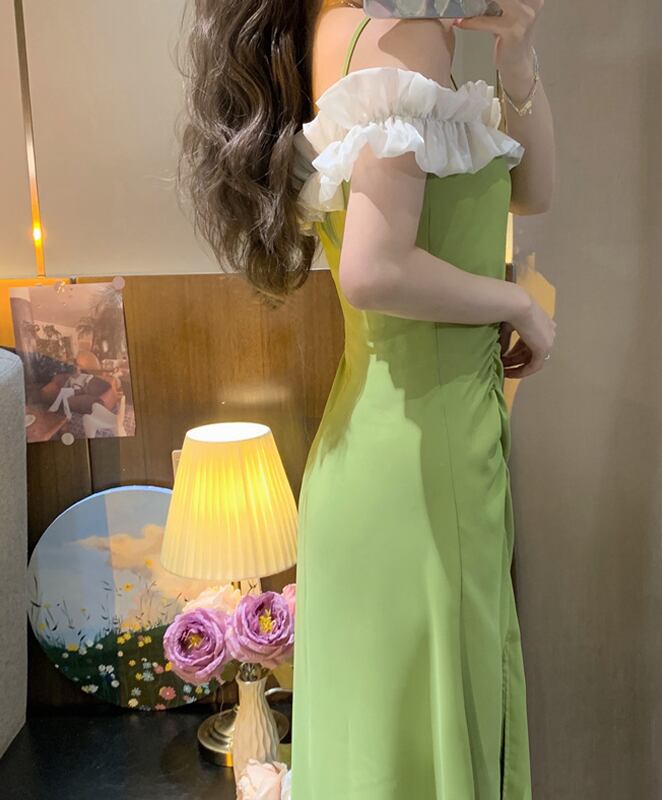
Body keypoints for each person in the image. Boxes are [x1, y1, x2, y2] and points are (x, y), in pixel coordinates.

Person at [177, 0, 555, 796]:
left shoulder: (357, 28)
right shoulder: (400, 36)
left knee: (386, 751)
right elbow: (375, 271)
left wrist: (517, 53)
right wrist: (515, 303)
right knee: (427, 745)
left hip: (394, 445)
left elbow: (534, 189)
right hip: (421, 460)